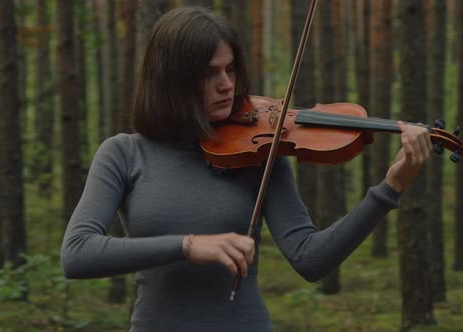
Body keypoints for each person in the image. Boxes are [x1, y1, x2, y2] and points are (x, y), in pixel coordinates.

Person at [61, 7, 432, 332]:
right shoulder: (124, 154)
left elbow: (310, 258)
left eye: (231, 69)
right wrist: (188, 246)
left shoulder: (260, 153)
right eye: (209, 73)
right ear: (171, 80)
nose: (227, 85)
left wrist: (390, 187)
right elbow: (77, 253)